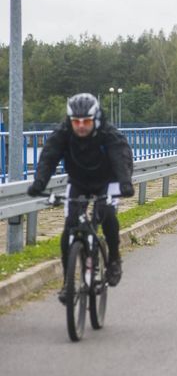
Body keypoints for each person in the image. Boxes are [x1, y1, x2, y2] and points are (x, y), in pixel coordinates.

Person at [27, 93, 134, 304]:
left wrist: (125, 183)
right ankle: (67, 282)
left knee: (107, 213)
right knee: (70, 225)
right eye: (76, 122)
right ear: (70, 121)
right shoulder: (63, 133)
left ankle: (114, 259)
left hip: (108, 180)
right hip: (79, 181)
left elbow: (120, 157)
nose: (81, 126)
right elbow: (49, 157)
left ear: (95, 119)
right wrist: (39, 183)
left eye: (86, 121)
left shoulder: (108, 133)